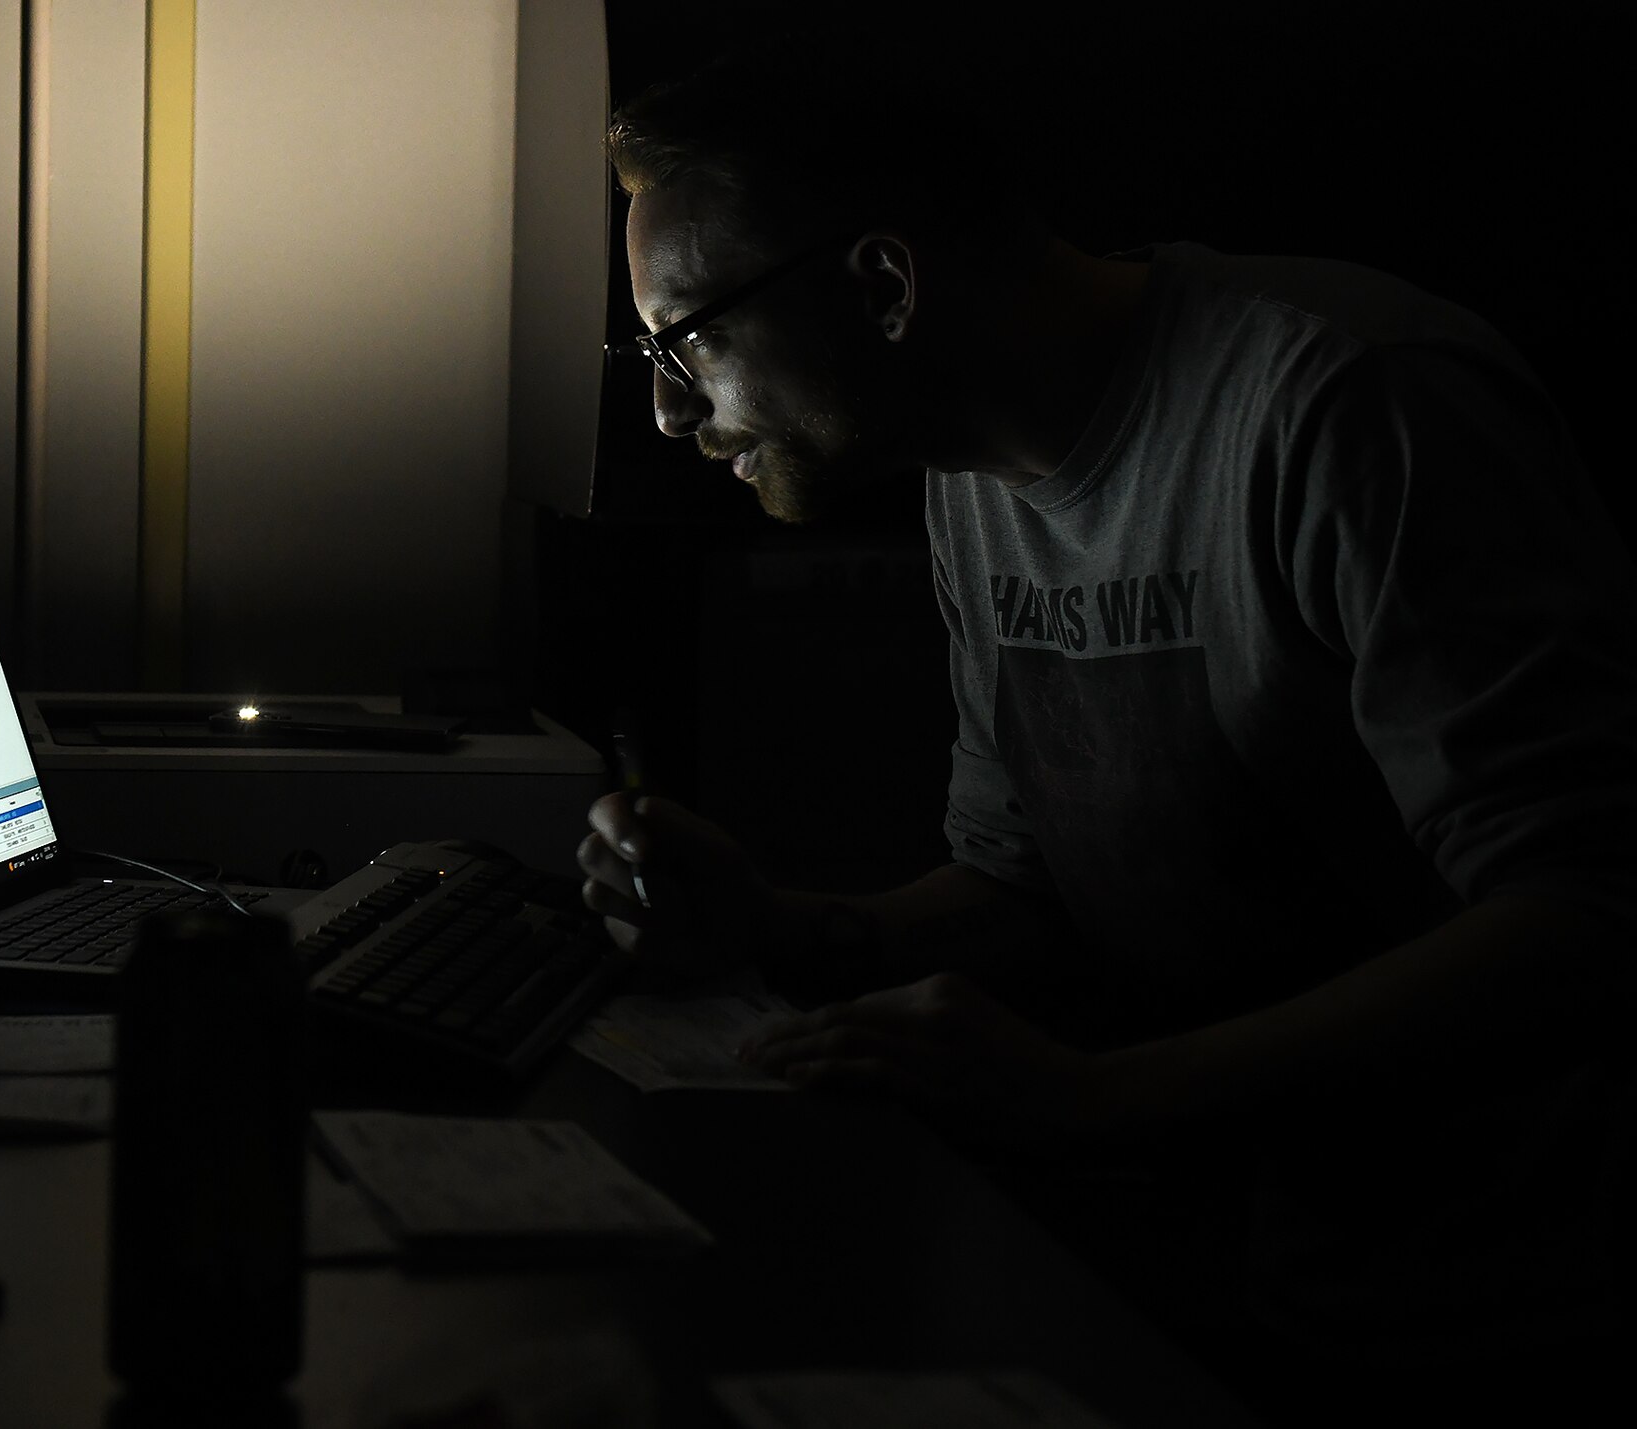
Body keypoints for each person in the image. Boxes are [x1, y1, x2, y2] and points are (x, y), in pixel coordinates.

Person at [573, 24, 1636, 1426]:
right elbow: (1030, 889)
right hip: (1260, 1279)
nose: (667, 413)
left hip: (1514, 1320)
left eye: (689, 337)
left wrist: (1093, 1098)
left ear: (883, 285)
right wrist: (786, 928)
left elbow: (1584, 913)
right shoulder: (973, 476)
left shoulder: (1345, 403)